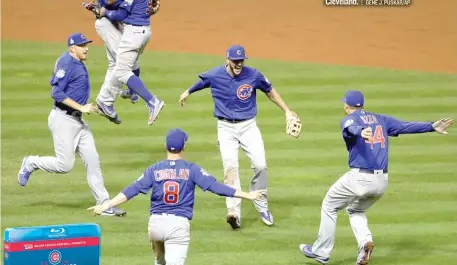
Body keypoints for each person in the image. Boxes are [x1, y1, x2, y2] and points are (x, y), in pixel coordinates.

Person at [299, 90, 454, 265]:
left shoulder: (349, 119)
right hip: (381, 183)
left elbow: (350, 127)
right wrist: (432, 126)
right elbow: (405, 126)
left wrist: (360, 131)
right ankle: (365, 244)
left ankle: (321, 252)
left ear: (346, 105)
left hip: (360, 178)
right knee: (355, 210)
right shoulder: (381, 119)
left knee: (329, 205)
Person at [87, 128, 265, 265]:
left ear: (166, 146)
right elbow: (217, 187)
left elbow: (131, 191)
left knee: (159, 261)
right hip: (178, 226)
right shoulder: (191, 169)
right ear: (184, 147)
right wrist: (247, 195)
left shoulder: (154, 169)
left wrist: (106, 205)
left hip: (155, 225)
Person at [178, 45, 300, 229]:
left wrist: (287, 111)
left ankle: (261, 203)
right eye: (235, 61)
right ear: (227, 59)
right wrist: (187, 92)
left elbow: (270, 91)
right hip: (225, 127)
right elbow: (202, 82)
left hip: (248, 126)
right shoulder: (215, 74)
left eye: (241, 60)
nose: (239, 64)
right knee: (230, 168)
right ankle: (233, 212)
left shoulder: (253, 75)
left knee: (260, 165)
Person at [17, 32, 126, 217]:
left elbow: (76, 93)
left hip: (78, 121)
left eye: (87, 45)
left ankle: (104, 204)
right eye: (82, 45)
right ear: (72, 48)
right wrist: (81, 107)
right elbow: (56, 93)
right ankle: (31, 163)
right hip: (63, 120)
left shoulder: (76, 63)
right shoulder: (67, 63)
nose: (86, 48)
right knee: (64, 166)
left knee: (93, 160)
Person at [94, 0, 164, 126]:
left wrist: (104, 12)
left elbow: (122, 14)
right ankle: (131, 92)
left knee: (122, 70)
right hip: (145, 31)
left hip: (133, 32)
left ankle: (152, 101)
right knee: (128, 65)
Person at [91, 0, 144, 124]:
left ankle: (121, 93)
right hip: (106, 22)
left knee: (117, 62)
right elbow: (107, 0)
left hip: (116, 21)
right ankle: (105, 101)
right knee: (123, 60)